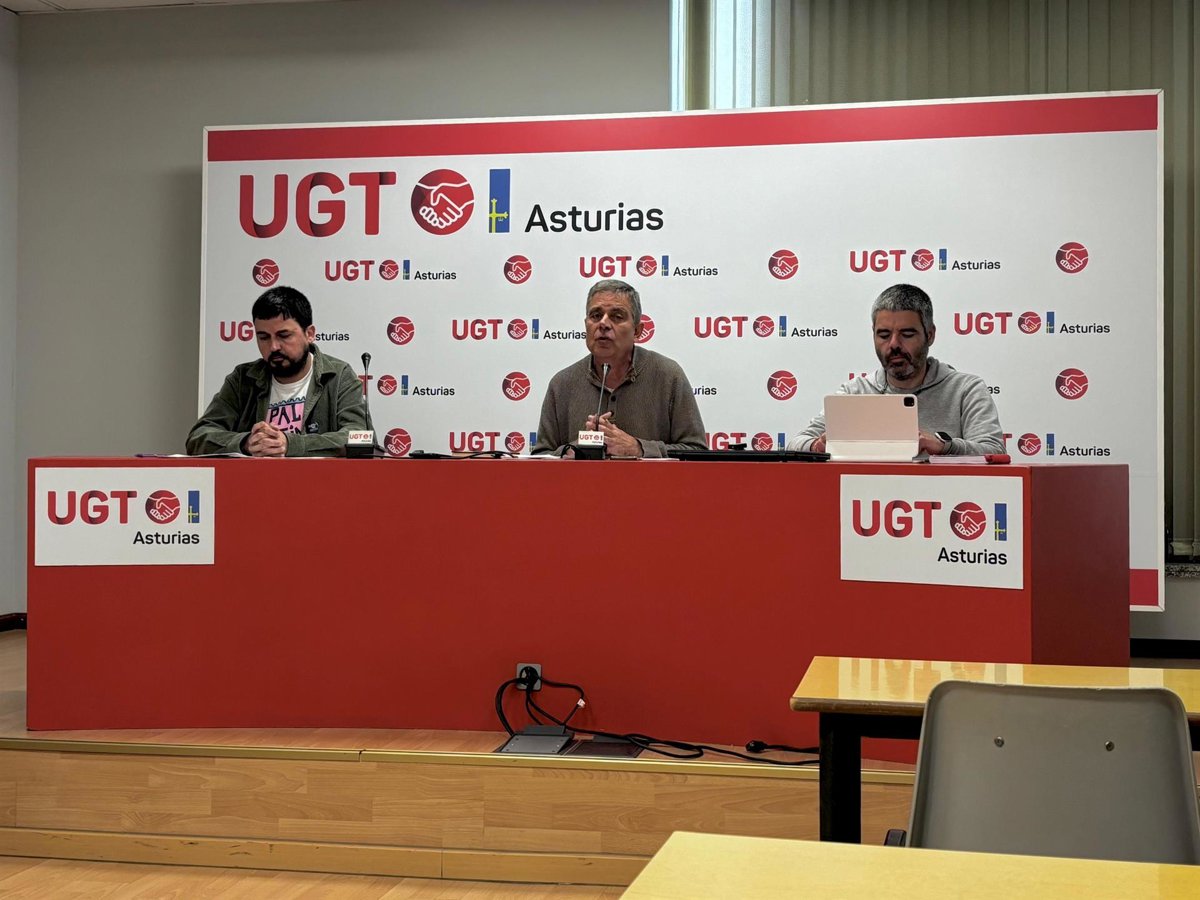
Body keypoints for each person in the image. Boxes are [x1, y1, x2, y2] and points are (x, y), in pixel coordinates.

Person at [787, 283, 1004, 456]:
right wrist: (817, 446)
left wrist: (944, 447)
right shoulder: (856, 392)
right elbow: (796, 443)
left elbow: (994, 451)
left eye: (907, 334)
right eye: (883, 335)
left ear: (930, 335)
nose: (894, 345)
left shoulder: (966, 389)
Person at [186, 286, 369, 457]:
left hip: (318, 479)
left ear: (309, 334)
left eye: (284, 335)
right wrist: (246, 443)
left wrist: (291, 444)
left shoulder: (339, 376)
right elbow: (198, 437)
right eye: (263, 337)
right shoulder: (242, 379)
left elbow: (360, 437)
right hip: (254, 479)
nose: (273, 346)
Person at [532, 279, 707, 458]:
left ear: (637, 331)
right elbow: (540, 457)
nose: (603, 324)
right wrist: (574, 449)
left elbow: (697, 451)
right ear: (586, 325)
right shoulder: (562, 384)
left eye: (617, 316)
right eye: (595, 316)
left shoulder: (668, 376)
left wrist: (639, 448)